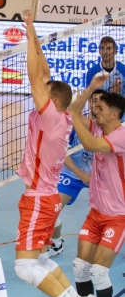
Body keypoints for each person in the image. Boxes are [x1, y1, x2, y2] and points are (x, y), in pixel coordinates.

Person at [13, 11, 95, 297]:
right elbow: (43, 74)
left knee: (24, 267)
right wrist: (32, 32)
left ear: (55, 101)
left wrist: (28, 36)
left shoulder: (50, 116)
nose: (39, 92)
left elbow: (36, 77)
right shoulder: (58, 117)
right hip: (44, 198)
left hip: (39, 200)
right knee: (41, 261)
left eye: (46, 93)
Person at [69, 76, 125, 297]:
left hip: (117, 217)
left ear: (115, 114)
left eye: (100, 109)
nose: (95, 112)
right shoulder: (99, 127)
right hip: (95, 214)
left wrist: (74, 117)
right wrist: (91, 88)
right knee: (80, 268)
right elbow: (75, 110)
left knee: (99, 272)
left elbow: (90, 145)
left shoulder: (121, 136)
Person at [48, 90, 106, 257]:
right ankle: (56, 244)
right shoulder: (73, 125)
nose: (96, 104)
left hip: (101, 175)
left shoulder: (111, 128)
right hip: (72, 172)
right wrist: (81, 174)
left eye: (100, 101)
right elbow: (60, 153)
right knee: (52, 209)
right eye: (93, 100)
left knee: (116, 211)